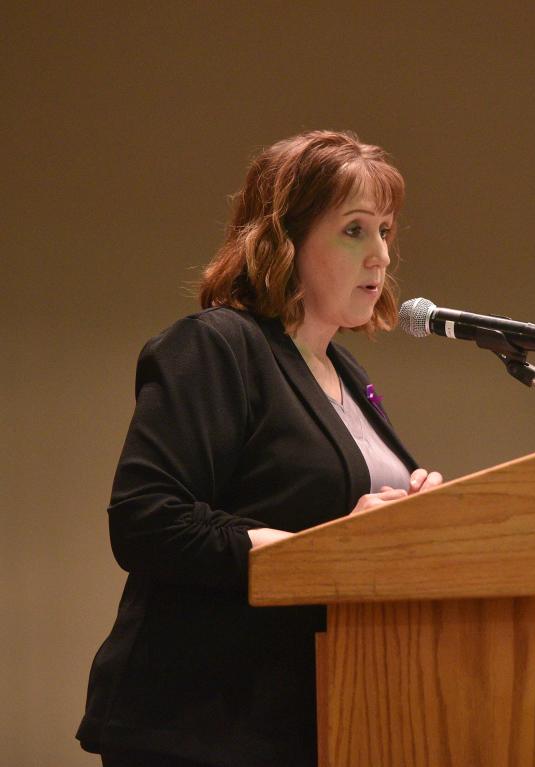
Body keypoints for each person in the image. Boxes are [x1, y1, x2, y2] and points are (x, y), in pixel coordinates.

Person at [76, 130, 443, 767]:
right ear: (284, 239)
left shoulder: (345, 374)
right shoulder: (218, 345)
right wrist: (325, 547)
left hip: (318, 721)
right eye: (355, 230)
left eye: (386, 230)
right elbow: (147, 520)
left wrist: (419, 515)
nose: (381, 255)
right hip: (204, 726)